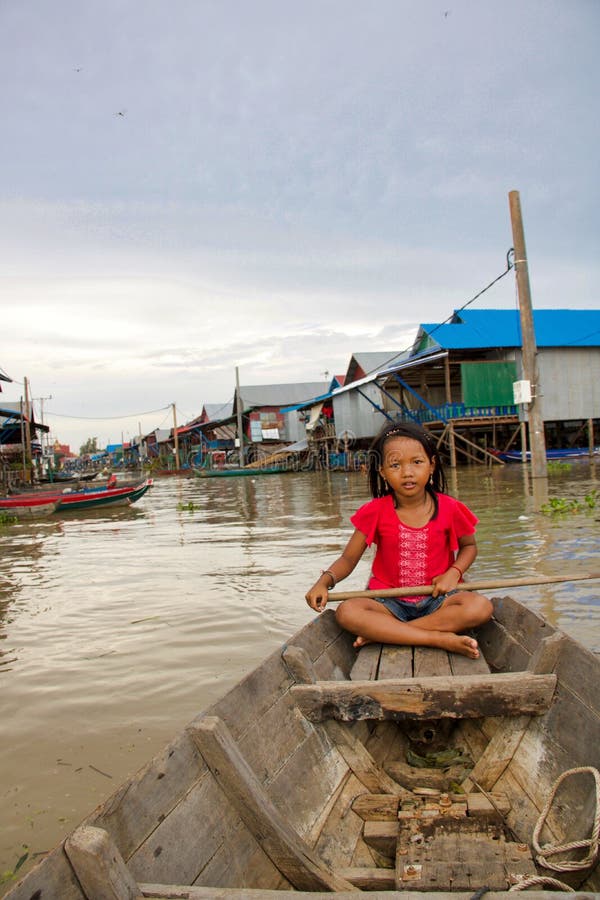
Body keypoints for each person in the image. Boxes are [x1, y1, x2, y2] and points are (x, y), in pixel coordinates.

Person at [305, 422, 493, 658]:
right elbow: (348, 559)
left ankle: (389, 634)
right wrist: (324, 581)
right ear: (383, 471)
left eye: (417, 462)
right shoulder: (374, 511)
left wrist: (454, 572)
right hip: (388, 603)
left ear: (432, 465)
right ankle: (436, 638)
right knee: (348, 612)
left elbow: (469, 547)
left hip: (438, 600)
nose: (407, 472)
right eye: (395, 465)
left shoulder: (450, 508)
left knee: (480, 607)